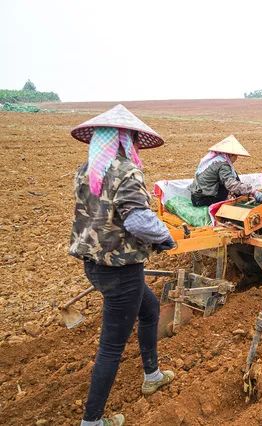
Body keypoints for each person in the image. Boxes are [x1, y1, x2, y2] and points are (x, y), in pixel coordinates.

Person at [69, 104, 176, 426]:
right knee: (111, 346)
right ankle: (93, 421)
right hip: (121, 268)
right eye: (131, 139)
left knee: (151, 309)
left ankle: (152, 374)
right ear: (125, 139)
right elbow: (138, 220)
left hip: (95, 263)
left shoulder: (86, 170)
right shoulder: (126, 170)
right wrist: (166, 236)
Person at [188, 135, 262, 207]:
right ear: (230, 155)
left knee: (233, 175)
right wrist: (252, 191)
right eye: (236, 155)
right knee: (230, 182)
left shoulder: (214, 161)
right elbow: (231, 184)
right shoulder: (223, 165)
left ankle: (239, 196)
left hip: (196, 197)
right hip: (203, 200)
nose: (236, 158)